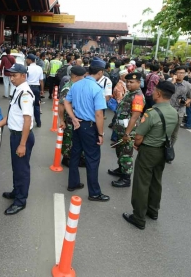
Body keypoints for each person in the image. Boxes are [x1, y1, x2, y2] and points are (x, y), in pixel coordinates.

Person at [122, 81, 178, 230]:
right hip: (162, 151)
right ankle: (153, 211)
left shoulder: (151, 113)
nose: (152, 93)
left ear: (159, 94)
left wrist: (137, 145)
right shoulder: (174, 112)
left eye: (154, 91)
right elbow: (174, 136)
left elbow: (139, 137)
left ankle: (139, 217)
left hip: (148, 151)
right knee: (156, 181)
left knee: (142, 183)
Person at [0, 63, 35, 215]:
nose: (12, 78)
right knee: (17, 168)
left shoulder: (25, 94)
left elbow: (27, 120)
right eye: (10, 75)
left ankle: (20, 201)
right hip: (16, 135)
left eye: (15, 75)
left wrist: (22, 144)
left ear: (23, 76)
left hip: (21, 137)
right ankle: (17, 191)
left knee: (22, 170)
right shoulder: (18, 90)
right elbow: (12, 115)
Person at [63, 58, 109, 202]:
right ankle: (94, 192)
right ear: (100, 72)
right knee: (92, 159)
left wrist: (73, 117)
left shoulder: (76, 85)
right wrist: (100, 133)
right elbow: (99, 114)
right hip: (89, 127)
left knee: (75, 154)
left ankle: (73, 183)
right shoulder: (97, 88)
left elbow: (66, 102)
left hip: (78, 124)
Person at [110, 72, 145, 188]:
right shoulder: (130, 93)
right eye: (127, 82)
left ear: (139, 83)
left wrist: (127, 133)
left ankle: (126, 178)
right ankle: (121, 169)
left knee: (126, 154)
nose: (128, 84)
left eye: (131, 82)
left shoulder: (138, 96)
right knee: (120, 151)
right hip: (121, 129)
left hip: (128, 131)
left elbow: (135, 117)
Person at [58, 65, 87, 167]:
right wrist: (61, 120)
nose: (84, 78)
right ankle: (66, 158)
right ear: (75, 76)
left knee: (76, 139)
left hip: (79, 118)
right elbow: (61, 106)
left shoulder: (79, 86)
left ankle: (77, 157)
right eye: (82, 76)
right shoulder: (67, 88)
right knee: (68, 138)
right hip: (69, 119)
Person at [169, 66, 191, 146]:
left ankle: (170, 147)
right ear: (175, 74)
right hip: (167, 109)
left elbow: (190, 97)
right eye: (178, 73)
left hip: (179, 111)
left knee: (174, 133)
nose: (180, 75)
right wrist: (173, 82)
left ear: (185, 74)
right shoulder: (169, 82)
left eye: (182, 73)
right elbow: (163, 92)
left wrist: (185, 102)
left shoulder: (188, 85)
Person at [26, 54, 44, 128]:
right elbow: (41, 80)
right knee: (36, 105)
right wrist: (42, 90)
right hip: (36, 88)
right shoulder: (39, 68)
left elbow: (24, 79)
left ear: (30, 60)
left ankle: (28, 122)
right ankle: (38, 122)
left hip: (28, 88)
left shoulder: (27, 68)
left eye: (27, 59)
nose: (26, 61)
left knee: (27, 105)